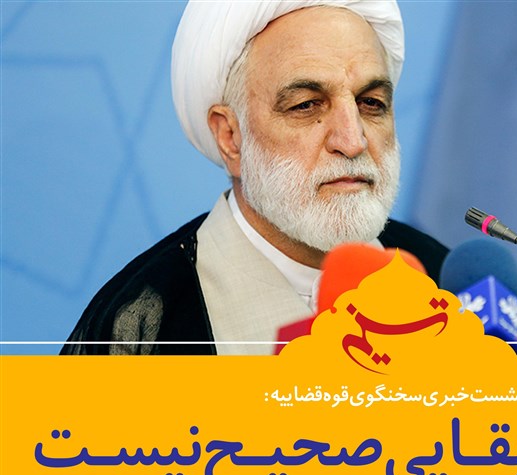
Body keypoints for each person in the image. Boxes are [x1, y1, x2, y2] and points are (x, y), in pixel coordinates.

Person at [61, 0, 448, 355]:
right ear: (231, 137)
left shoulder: (443, 280)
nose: (353, 141)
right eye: (306, 105)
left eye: (371, 103)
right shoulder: (138, 329)